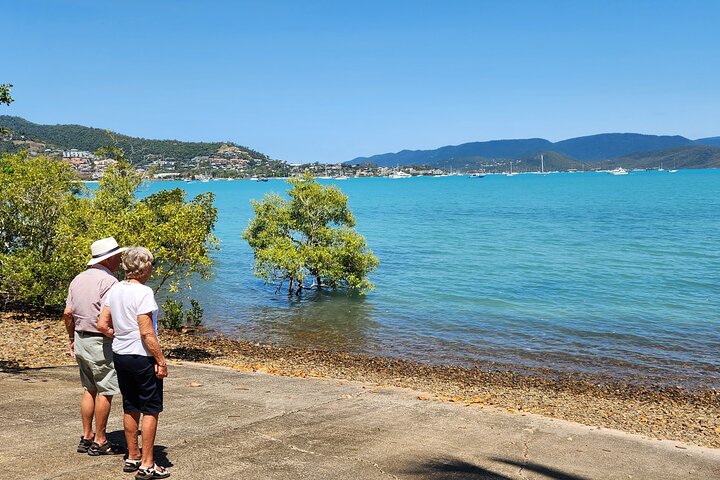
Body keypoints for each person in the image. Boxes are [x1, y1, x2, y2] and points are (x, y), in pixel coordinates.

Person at [98, 246, 170, 479]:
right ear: (145, 267)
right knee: (150, 409)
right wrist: (160, 359)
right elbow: (147, 333)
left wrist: (118, 334)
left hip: (121, 354)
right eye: (150, 264)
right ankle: (148, 464)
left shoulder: (116, 288)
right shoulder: (144, 293)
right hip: (142, 356)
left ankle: (132, 455)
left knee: (130, 405)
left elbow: (102, 323)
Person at [63, 236, 127, 456]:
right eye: (117, 255)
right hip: (101, 341)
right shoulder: (110, 282)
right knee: (106, 390)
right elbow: (111, 317)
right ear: (108, 259)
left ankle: (87, 435)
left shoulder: (78, 279)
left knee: (89, 388)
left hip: (81, 338)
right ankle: (100, 440)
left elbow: (68, 313)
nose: (120, 259)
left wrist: (71, 338)